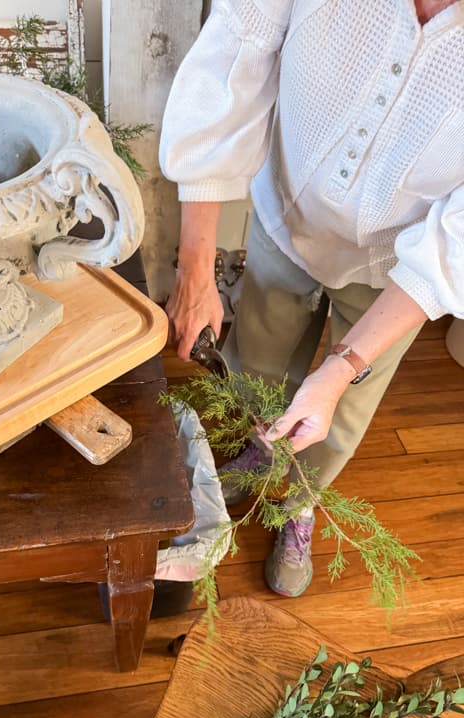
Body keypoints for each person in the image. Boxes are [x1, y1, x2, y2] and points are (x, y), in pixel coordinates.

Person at [159, 0, 464, 597]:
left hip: (397, 271)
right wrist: (194, 272)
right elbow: (233, 65)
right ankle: (255, 454)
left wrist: (344, 363)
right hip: (286, 218)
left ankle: (299, 502)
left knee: (343, 408)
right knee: (258, 364)